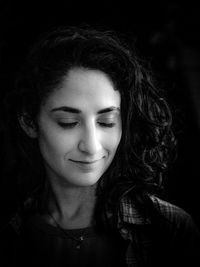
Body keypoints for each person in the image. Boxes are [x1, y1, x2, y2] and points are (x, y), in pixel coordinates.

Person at [0, 25, 199, 267]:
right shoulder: (10, 230)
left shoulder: (170, 228)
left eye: (107, 122)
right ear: (29, 122)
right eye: (68, 123)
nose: (92, 147)